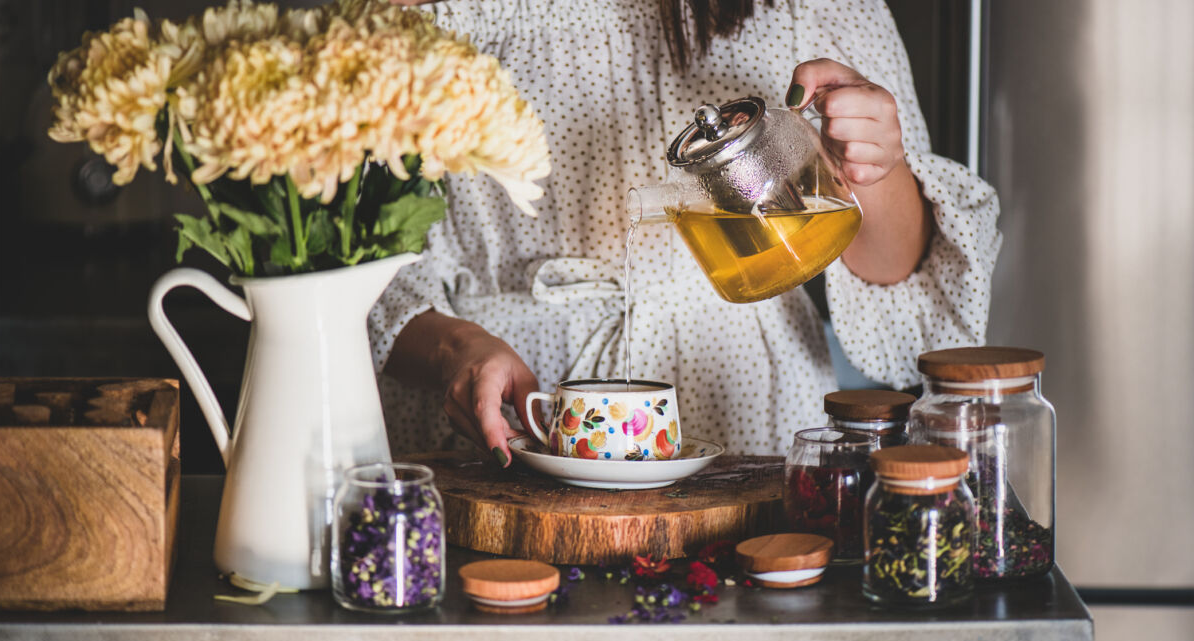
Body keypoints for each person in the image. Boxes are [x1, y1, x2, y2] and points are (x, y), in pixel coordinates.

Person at [369, 0, 1001, 466]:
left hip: (746, 411)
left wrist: (875, 168)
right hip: (507, 421)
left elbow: (902, 275)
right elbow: (353, 260)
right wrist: (457, 350)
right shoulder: (419, 15)